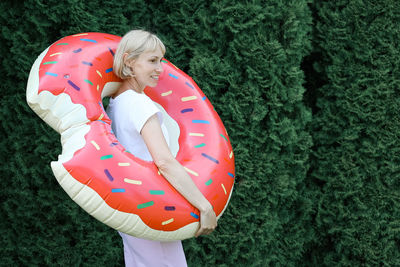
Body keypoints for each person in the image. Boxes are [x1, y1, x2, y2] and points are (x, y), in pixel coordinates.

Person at [106, 29, 217, 267]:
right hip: (153, 210)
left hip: (131, 209)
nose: (160, 68)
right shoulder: (139, 104)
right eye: (152, 60)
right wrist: (205, 206)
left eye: (161, 61)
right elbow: (164, 162)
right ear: (129, 61)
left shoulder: (114, 104)